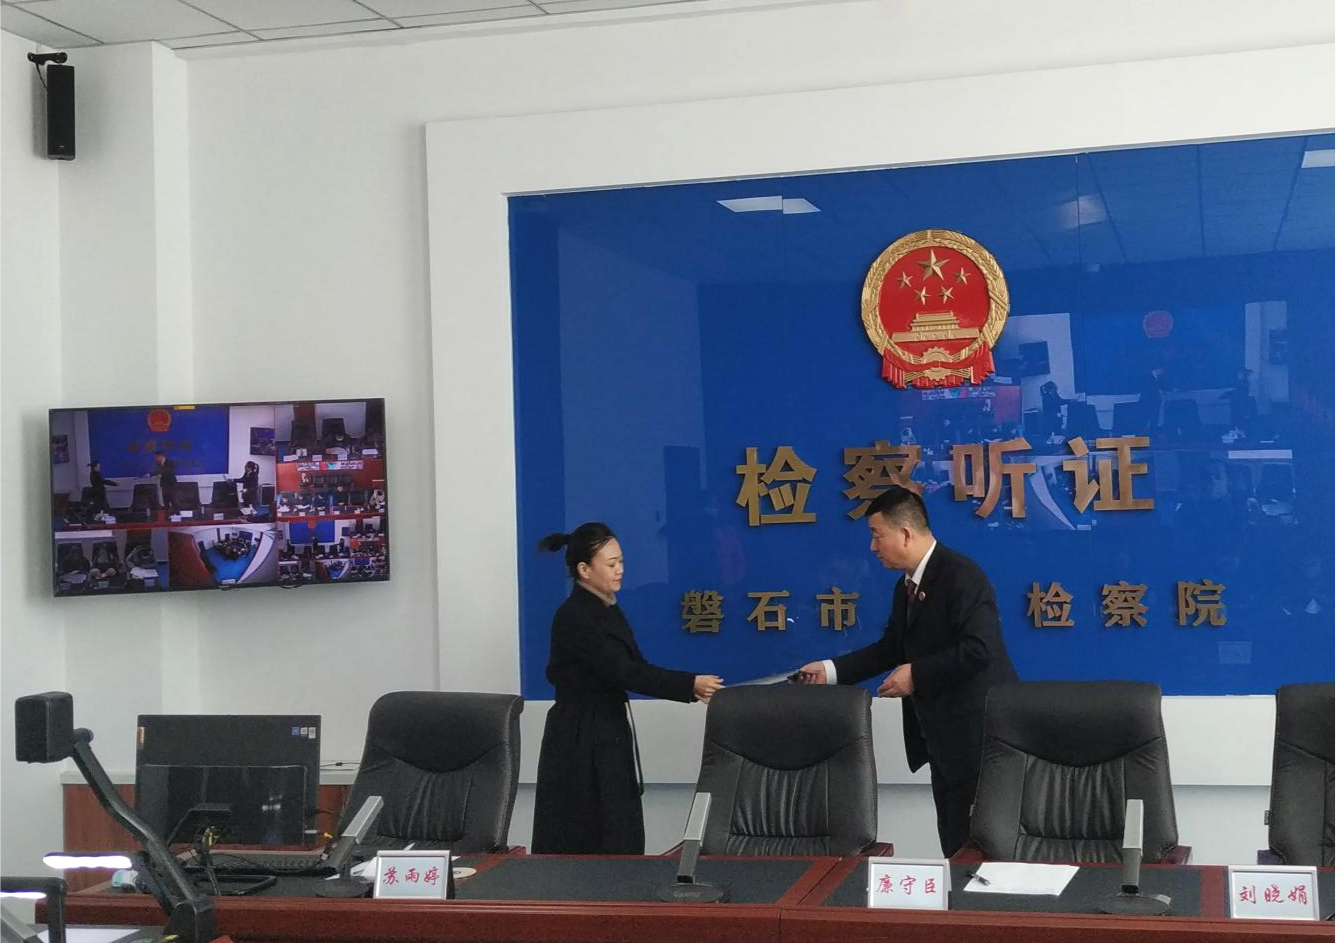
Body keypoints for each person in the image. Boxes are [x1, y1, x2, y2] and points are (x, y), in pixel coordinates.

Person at [795, 487, 1017, 856]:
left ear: (905, 534)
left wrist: (916, 675)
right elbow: (891, 649)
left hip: (979, 741)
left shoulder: (961, 576)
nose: (872, 547)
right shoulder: (907, 587)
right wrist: (830, 671)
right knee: (953, 842)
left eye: (876, 535)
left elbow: (979, 648)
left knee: (982, 850)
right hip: (943, 743)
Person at [532, 522, 724, 854]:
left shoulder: (606, 607)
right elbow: (625, 672)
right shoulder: (575, 616)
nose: (620, 570)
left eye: (621, 561)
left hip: (606, 731)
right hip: (580, 741)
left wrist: (689, 685)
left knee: (618, 830)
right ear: (584, 570)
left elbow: (635, 666)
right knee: (587, 838)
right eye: (611, 564)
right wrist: (690, 685)